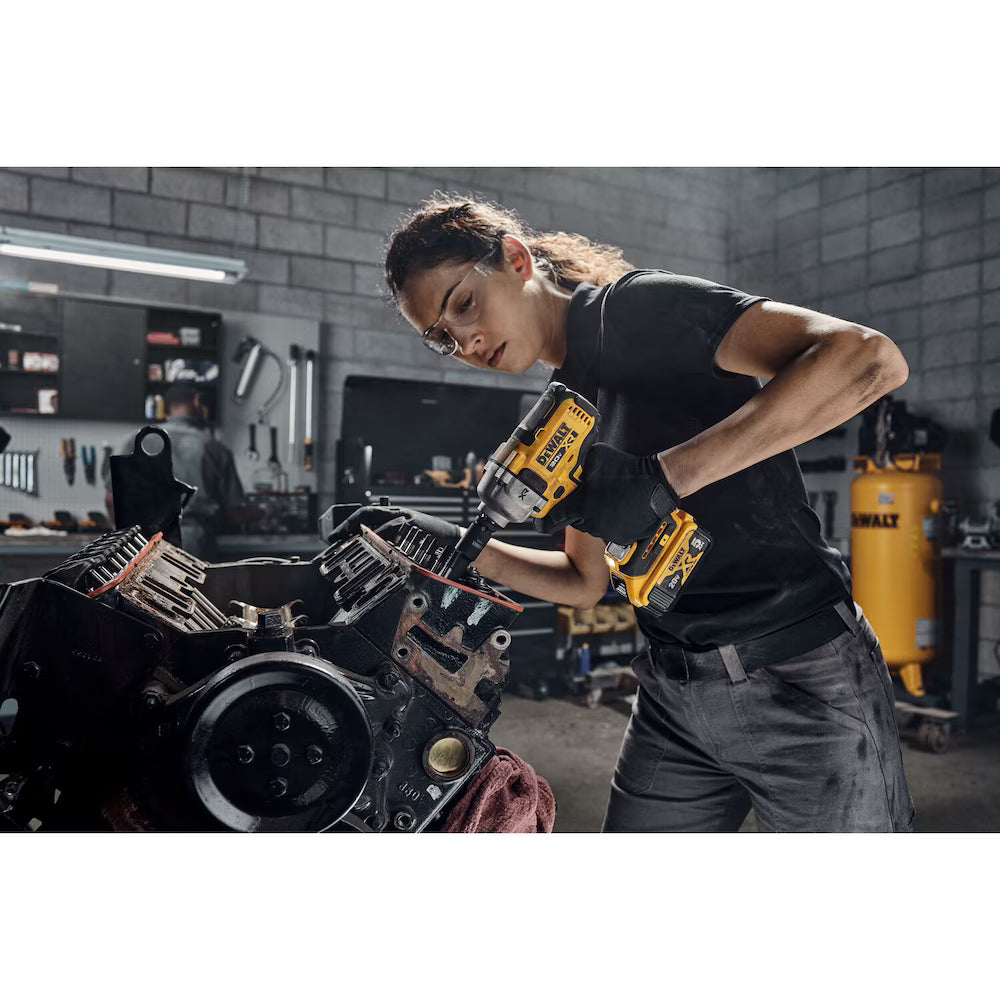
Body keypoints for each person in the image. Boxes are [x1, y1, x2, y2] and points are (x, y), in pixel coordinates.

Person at [329, 195, 915, 833]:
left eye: (463, 305)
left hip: (802, 676)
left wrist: (665, 477)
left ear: (516, 260)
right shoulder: (567, 405)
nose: (464, 339)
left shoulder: (641, 310)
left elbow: (868, 359)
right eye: (441, 338)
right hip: (674, 689)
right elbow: (583, 583)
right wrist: (455, 547)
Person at [106, 383, 245, 562]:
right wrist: (261, 513)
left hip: (139, 544)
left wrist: (124, 533)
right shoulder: (214, 448)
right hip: (192, 544)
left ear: (166, 407)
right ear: (197, 402)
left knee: (136, 590)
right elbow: (233, 513)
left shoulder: (133, 441)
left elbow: (111, 500)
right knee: (191, 590)